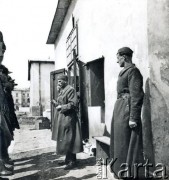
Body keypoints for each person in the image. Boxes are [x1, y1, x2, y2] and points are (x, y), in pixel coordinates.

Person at [110, 47, 144, 179]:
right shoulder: (123, 72)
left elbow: (136, 96)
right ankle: (120, 170)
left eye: (118, 57)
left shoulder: (133, 72)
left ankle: (129, 174)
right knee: (120, 142)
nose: (116, 60)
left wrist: (133, 117)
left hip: (127, 110)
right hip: (120, 108)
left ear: (124, 57)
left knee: (127, 142)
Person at [51, 75, 83, 170]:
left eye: (61, 81)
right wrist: (56, 103)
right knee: (65, 138)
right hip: (62, 117)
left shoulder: (71, 90)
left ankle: (72, 161)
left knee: (70, 138)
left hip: (69, 118)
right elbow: (62, 103)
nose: (59, 83)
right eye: (58, 81)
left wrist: (61, 107)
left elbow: (73, 104)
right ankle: (67, 159)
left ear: (65, 81)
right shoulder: (62, 90)